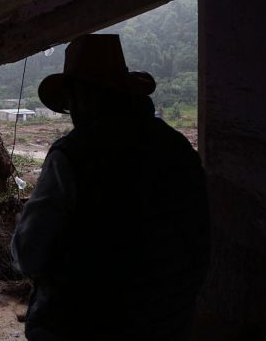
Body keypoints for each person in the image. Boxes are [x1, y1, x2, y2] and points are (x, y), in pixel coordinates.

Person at [11, 34, 210, 341]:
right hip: (168, 322)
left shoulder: (73, 155)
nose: (72, 113)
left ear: (85, 97)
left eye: (71, 102)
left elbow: (29, 253)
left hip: (84, 325)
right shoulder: (178, 148)